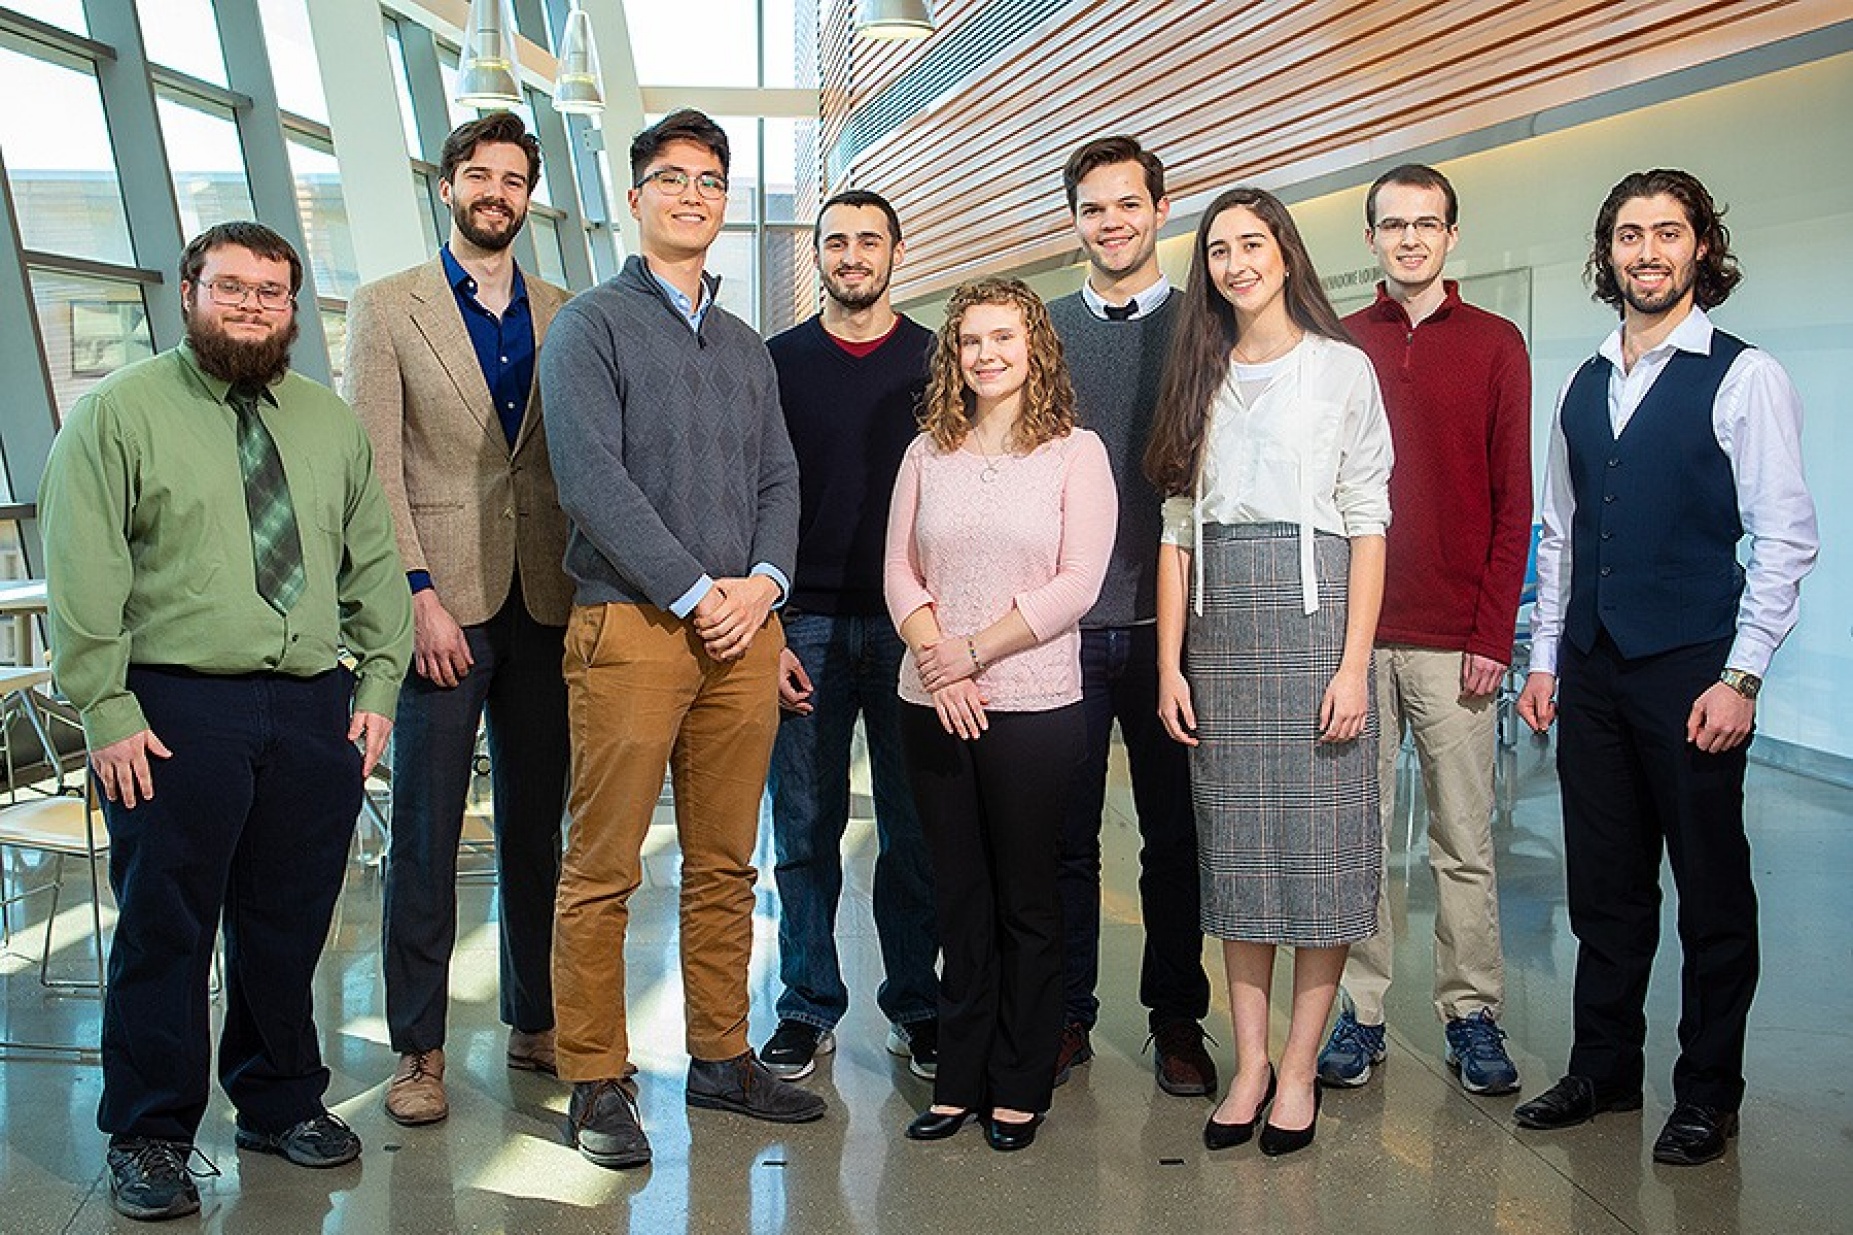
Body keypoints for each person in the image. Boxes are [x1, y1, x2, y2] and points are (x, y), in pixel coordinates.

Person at [40, 222, 413, 1221]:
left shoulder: (330, 425)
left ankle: (278, 1096)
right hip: (172, 706)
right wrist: (106, 707)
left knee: (289, 921)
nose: (252, 306)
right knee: (167, 925)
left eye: (273, 292)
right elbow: (82, 573)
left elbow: (373, 563)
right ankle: (153, 1131)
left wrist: (377, 686)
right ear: (187, 290)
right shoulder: (117, 415)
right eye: (232, 287)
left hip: (309, 704)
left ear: (293, 308)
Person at [1514, 169, 1817, 1166]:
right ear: (1606, 254)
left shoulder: (1742, 375)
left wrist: (1741, 676)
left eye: (1667, 233)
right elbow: (1558, 532)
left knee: (1710, 892)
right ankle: (1602, 1067)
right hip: (1592, 671)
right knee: (1602, 886)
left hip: (1691, 667)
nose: (1646, 251)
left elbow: (1783, 539)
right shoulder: (1581, 380)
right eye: (1628, 234)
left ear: (1699, 249)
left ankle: (1705, 1093)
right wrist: (1547, 656)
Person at [538, 109, 817, 1172]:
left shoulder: (745, 345)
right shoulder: (591, 327)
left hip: (742, 633)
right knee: (602, 865)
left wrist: (763, 584)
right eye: (670, 177)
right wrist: (701, 590)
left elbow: (778, 477)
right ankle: (595, 1074)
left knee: (724, 863)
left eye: (709, 179)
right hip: (632, 624)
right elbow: (590, 479)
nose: (691, 194)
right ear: (636, 194)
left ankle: (720, 1052)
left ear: (723, 199)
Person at [1148, 188, 1392, 1157]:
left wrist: (1353, 664)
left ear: (1285, 253)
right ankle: (1247, 1062)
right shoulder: (1196, 369)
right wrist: (1167, 661)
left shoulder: (1341, 369)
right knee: (1239, 858)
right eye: (1216, 250)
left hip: (1315, 619)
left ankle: (1298, 1069)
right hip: (1216, 626)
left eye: (1251, 244)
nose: (1234, 262)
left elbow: (1368, 519)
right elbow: (1173, 529)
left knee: (1319, 858)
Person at [345, 112, 574, 1126]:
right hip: (441, 606)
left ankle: (536, 1016)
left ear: (529, 195)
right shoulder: (386, 307)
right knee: (428, 834)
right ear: (447, 187)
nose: (495, 190)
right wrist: (417, 595)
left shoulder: (568, 310)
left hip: (546, 600)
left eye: (512, 177)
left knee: (537, 827)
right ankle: (419, 1049)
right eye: (477, 174)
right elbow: (373, 466)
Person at [886, 278, 1115, 1153]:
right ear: (954, 353)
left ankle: (1019, 1081)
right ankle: (958, 1080)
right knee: (958, 898)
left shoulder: (1073, 452)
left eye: (1003, 338)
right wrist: (936, 662)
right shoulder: (924, 453)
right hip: (932, 702)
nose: (986, 354)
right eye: (971, 340)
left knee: (1026, 897)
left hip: (1031, 706)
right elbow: (899, 572)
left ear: (1034, 349)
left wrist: (971, 651)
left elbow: (1076, 583)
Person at [1319, 164, 1531, 1096]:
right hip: (1357, 639)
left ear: (1452, 236)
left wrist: (1493, 633)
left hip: (1456, 644)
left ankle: (1470, 1011)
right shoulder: (1337, 345)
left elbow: (1512, 500)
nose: (1409, 238)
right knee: (1355, 836)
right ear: (1368, 238)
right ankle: (1360, 1013)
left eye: (1427, 224)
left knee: (1462, 839)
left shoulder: (1495, 345)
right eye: (1392, 224)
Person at [758, 190, 941, 1083]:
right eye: (837, 241)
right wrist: (767, 628)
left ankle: (915, 1002)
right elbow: (750, 493)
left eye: (869, 240)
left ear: (897, 252)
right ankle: (804, 1004)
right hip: (806, 623)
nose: (852, 255)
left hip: (915, 624)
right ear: (819, 256)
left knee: (914, 830)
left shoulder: (938, 359)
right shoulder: (776, 362)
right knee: (803, 824)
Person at [1044, 136, 1214, 1096]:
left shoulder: (1205, 327)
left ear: (1159, 209)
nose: (1110, 222)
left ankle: (1176, 1017)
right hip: (1064, 627)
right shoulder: (1048, 329)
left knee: (1172, 835)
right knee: (1065, 832)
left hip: (1169, 629)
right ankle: (1070, 1012)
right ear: (1074, 221)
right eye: (1092, 207)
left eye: (1126, 204)